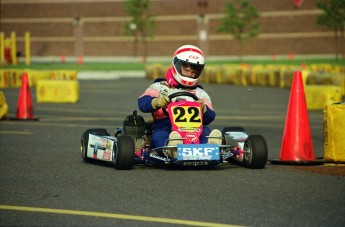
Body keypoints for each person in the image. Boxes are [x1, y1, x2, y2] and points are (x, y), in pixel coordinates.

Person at [138, 44, 222, 152]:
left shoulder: (200, 93)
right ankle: (172, 148)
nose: (190, 74)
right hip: (166, 125)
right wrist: (156, 102)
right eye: (186, 69)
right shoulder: (160, 86)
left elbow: (210, 117)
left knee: (206, 132)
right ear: (176, 65)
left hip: (195, 129)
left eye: (193, 72)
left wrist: (204, 109)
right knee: (159, 136)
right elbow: (142, 102)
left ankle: (211, 146)